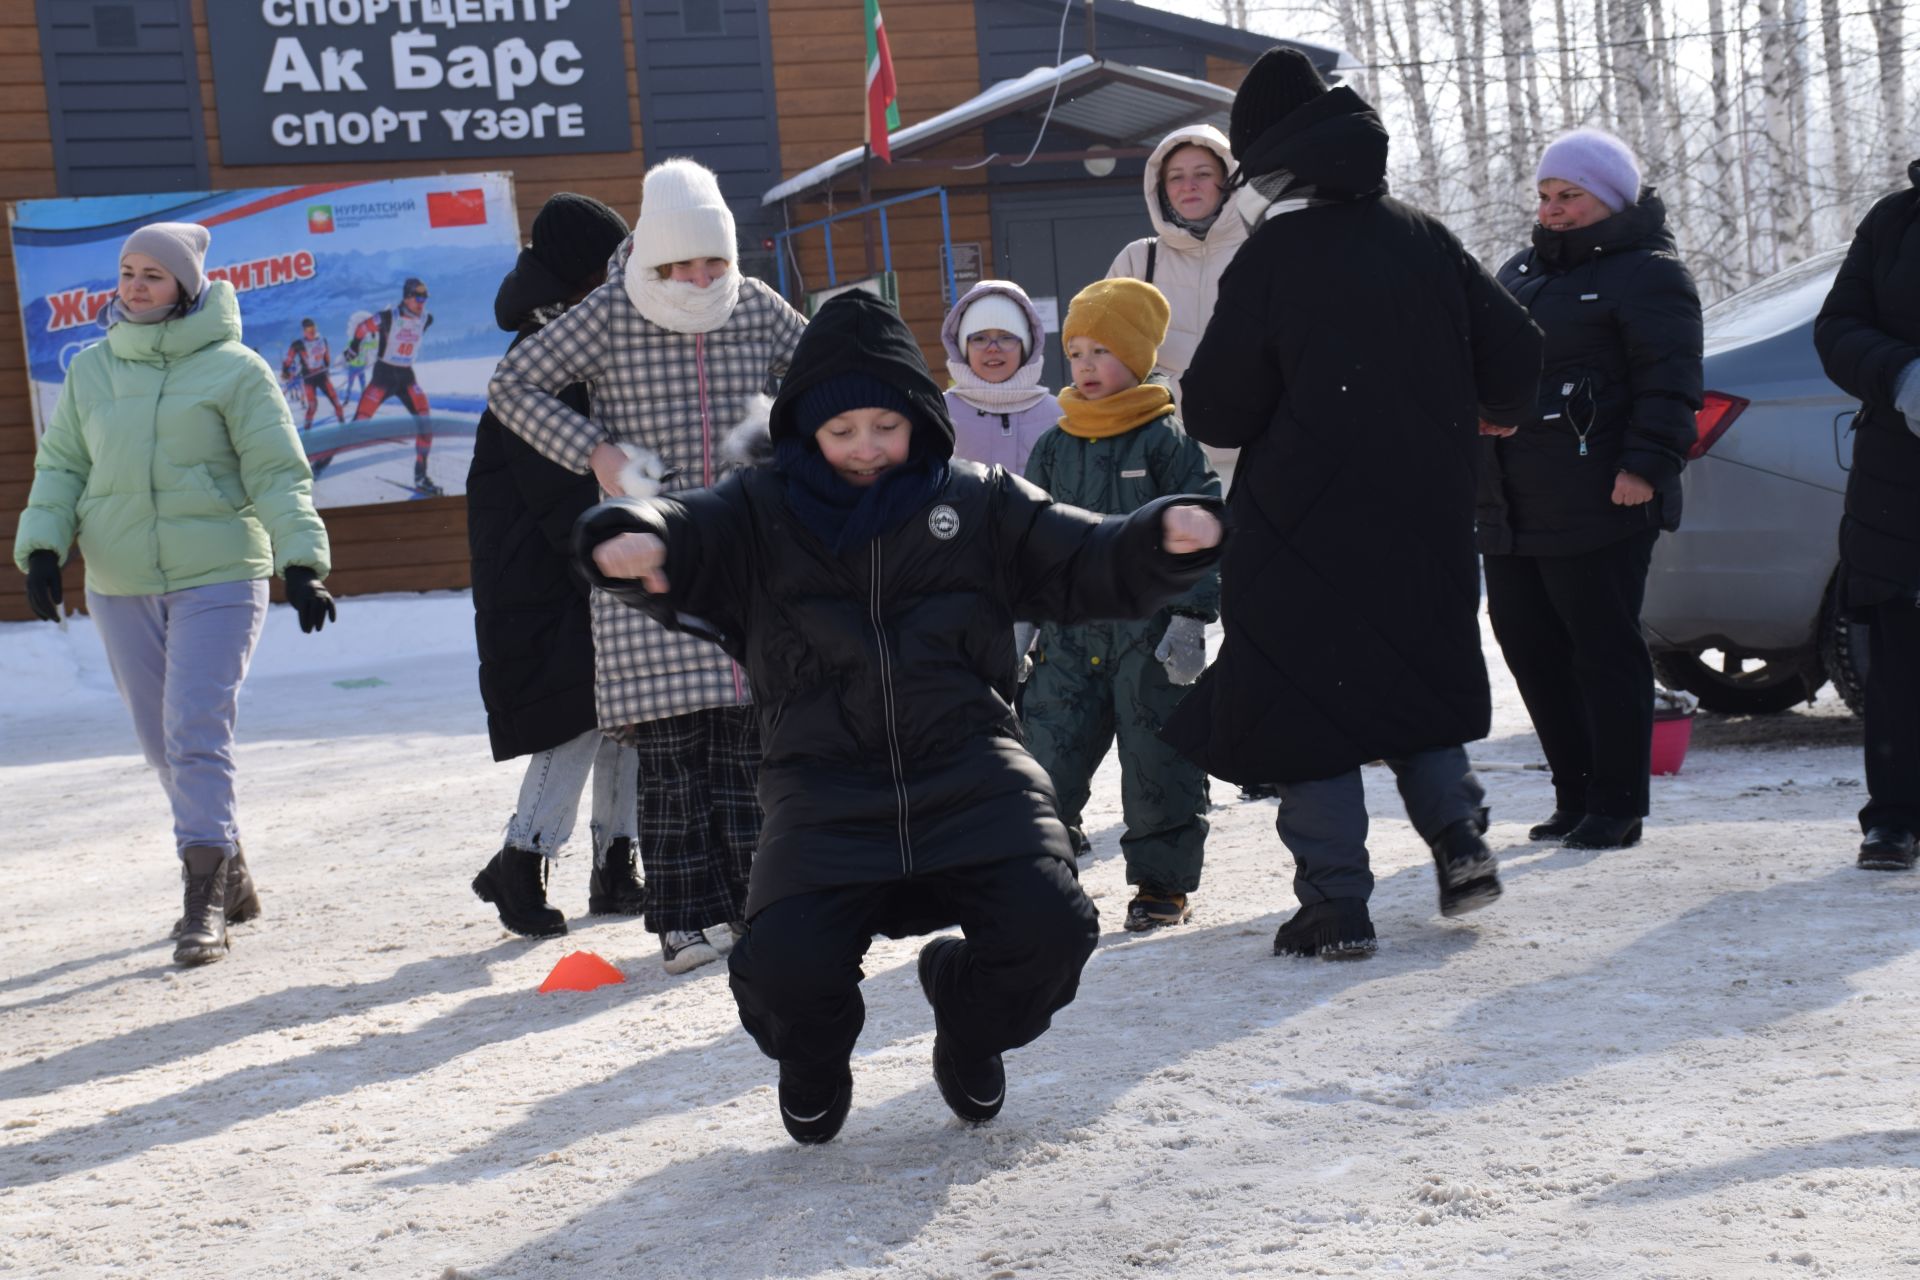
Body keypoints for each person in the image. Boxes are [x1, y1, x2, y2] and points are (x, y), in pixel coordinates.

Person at [574, 290, 1227, 1143]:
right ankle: (813, 1056)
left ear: (918, 416)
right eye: (842, 433)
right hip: (823, 787)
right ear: (807, 431)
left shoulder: (982, 501)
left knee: (1052, 930)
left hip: (971, 770)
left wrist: (1155, 537)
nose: (866, 450)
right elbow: (680, 525)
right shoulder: (760, 510)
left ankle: (968, 1018)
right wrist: (632, 533)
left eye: (885, 426)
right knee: (778, 971)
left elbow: (1084, 552)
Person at [1163, 48, 1543, 959]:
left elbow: (1216, 406)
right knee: (1411, 682)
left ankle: (1335, 906)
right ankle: (1458, 842)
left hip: (1298, 532)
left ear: (1269, 166)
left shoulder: (1272, 260)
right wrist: (1492, 414)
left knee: (1306, 707)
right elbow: (1519, 355)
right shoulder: (1424, 238)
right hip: (1425, 517)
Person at [489, 157, 808, 975]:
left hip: (740, 557)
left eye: (715, 262)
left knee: (746, 743)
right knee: (670, 754)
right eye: (680, 265)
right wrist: (594, 452)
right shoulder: (606, 312)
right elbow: (514, 384)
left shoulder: (757, 308)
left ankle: (754, 904)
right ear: (649, 258)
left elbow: (825, 372)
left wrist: (781, 447)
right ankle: (684, 919)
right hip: (643, 556)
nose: (700, 278)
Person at [15, 221, 335, 967]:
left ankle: (202, 903)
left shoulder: (236, 370)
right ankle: (231, 869)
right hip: (120, 581)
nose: (134, 285)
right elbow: (62, 467)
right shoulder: (93, 371)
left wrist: (302, 562)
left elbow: (277, 475)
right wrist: (41, 548)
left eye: (152, 274)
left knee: (194, 729)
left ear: (186, 286)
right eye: (127, 271)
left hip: (218, 573)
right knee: (163, 745)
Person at [1477, 128, 1703, 852]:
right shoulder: (1519, 270)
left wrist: (1646, 467)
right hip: (1513, 499)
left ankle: (1618, 803)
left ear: (1609, 198)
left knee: (1601, 649)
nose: (1553, 209)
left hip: (1603, 496)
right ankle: (1572, 794)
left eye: (1569, 195)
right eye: (1545, 196)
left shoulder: (1651, 274)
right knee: (1529, 645)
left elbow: (1670, 384)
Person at [466, 193, 646, 937]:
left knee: (630, 714)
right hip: (547, 575)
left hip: (586, 559)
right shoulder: (543, 360)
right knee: (577, 718)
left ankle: (616, 863)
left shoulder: (581, 342)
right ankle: (522, 857)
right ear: (581, 273)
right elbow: (557, 491)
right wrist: (611, 560)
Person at [1021, 278, 1220, 930]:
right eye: (1074, 351)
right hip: (1069, 637)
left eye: (1101, 351)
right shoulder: (1055, 444)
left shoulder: (1166, 441)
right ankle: (1040, 883)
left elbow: (1200, 530)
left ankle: (1162, 887)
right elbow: (1027, 536)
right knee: (1045, 759)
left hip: (1151, 634)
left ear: (1136, 358)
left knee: (1157, 760)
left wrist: (1191, 616)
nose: (1084, 365)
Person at [1107, 124, 1273, 804]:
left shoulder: (1268, 247)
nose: (1191, 185)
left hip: (1267, 457)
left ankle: (1264, 747)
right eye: (1177, 176)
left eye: (1204, 172)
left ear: (1228, 178)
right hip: (1172, 462)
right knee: (1174, 618)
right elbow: (1105, 354)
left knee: (1263, 613)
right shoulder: (1138, 260)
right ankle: (1179, 766)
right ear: (1159, 187)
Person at [1814, 157, 1920, 872]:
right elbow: (1839, 327)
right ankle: (1894, 819)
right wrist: (1903, 374)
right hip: (1901, 479)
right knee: (1900, 660)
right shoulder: (1894, 222)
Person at [940, 279, 1059, 474]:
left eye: (1006, 337)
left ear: (1026, 346)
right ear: (963, 348)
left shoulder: (1057, 415)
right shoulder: (942, 414)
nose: (993, 348)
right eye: (979, 338)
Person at [342, 278, 438, 495]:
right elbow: (362, 328)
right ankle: (319, 465)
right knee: (358, 426)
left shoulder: (426, 319)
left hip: (406, 377)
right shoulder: (387, 317)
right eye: (418, 296)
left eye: (425, 297)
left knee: (426, 427)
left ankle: (421, 477)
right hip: (383, 376)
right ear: (407, 297)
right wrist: (354, 349)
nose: (423, 301)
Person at [282, 317, 345, 432]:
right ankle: (307, 430)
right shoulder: (299, 344)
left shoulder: (322, 340)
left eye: (314, 328)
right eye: (309, 329)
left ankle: (344, 427)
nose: (312, 331)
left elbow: (326, 356)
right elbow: (289, 358)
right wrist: (286, 370)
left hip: (321, 375)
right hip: (309, 377)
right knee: (313, 405)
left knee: (336, 401)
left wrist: (326, 368)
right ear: (304, 331)